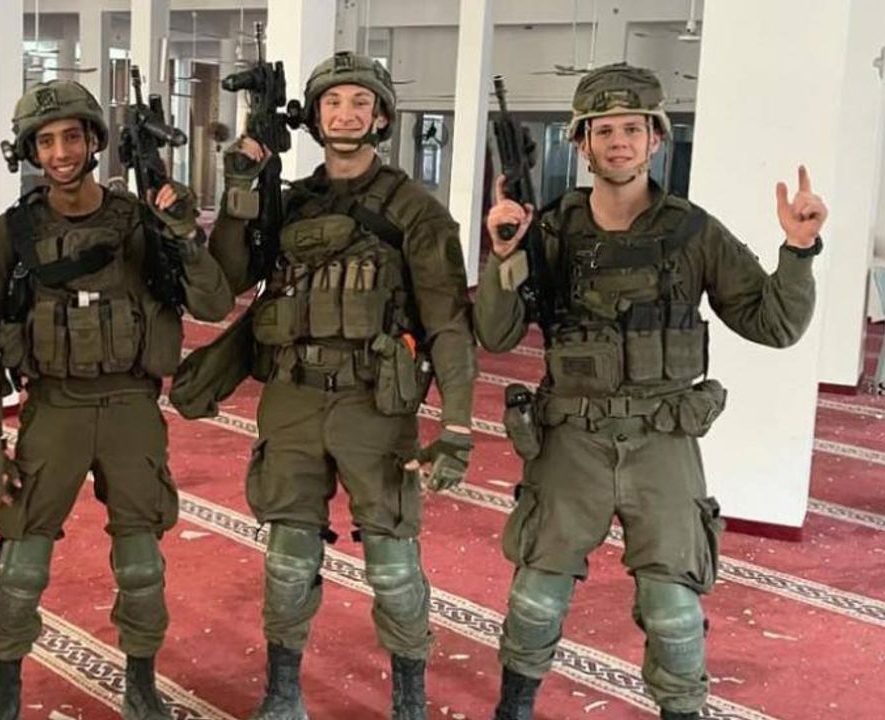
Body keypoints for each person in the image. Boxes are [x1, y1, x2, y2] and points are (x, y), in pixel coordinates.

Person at [476, 63, 826, 720]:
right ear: (581, 143)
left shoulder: (692, 232)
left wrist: (798, 249)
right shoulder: (549, 230)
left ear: (656, 139)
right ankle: (512, 710)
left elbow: (775, 324)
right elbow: (495, 335)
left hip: (662, 439)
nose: (619, 142)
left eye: (632, 130)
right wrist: (503, 256)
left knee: (675, 613)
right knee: (536, 599)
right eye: (603, 130)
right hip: (571, 438)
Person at [0, 79, 233, 720]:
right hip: (54, 410)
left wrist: (183, 235)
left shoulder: (141, 220)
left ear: (94, 141)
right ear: (29, 151)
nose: (61, 153)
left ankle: (140, 684)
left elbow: (214, 305)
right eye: (46, 141)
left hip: (132, 408)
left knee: (142, 565)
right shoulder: (10, 234)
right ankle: (5, 691)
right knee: (21, 564)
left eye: (72, 137)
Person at [207, 52, 478, 719]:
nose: (347, 114)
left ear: (382, 117)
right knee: (287, 560)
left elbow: (448, 324)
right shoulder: (290, 202)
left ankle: (410, 701)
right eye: (333, 101)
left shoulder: (417, 211)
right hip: (293, 398)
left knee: (393, 564)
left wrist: (458, 426)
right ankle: (282, 694)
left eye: (361, 102)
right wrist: (240, 188)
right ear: (315, 115)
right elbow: (229, 279)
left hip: (374, 405)